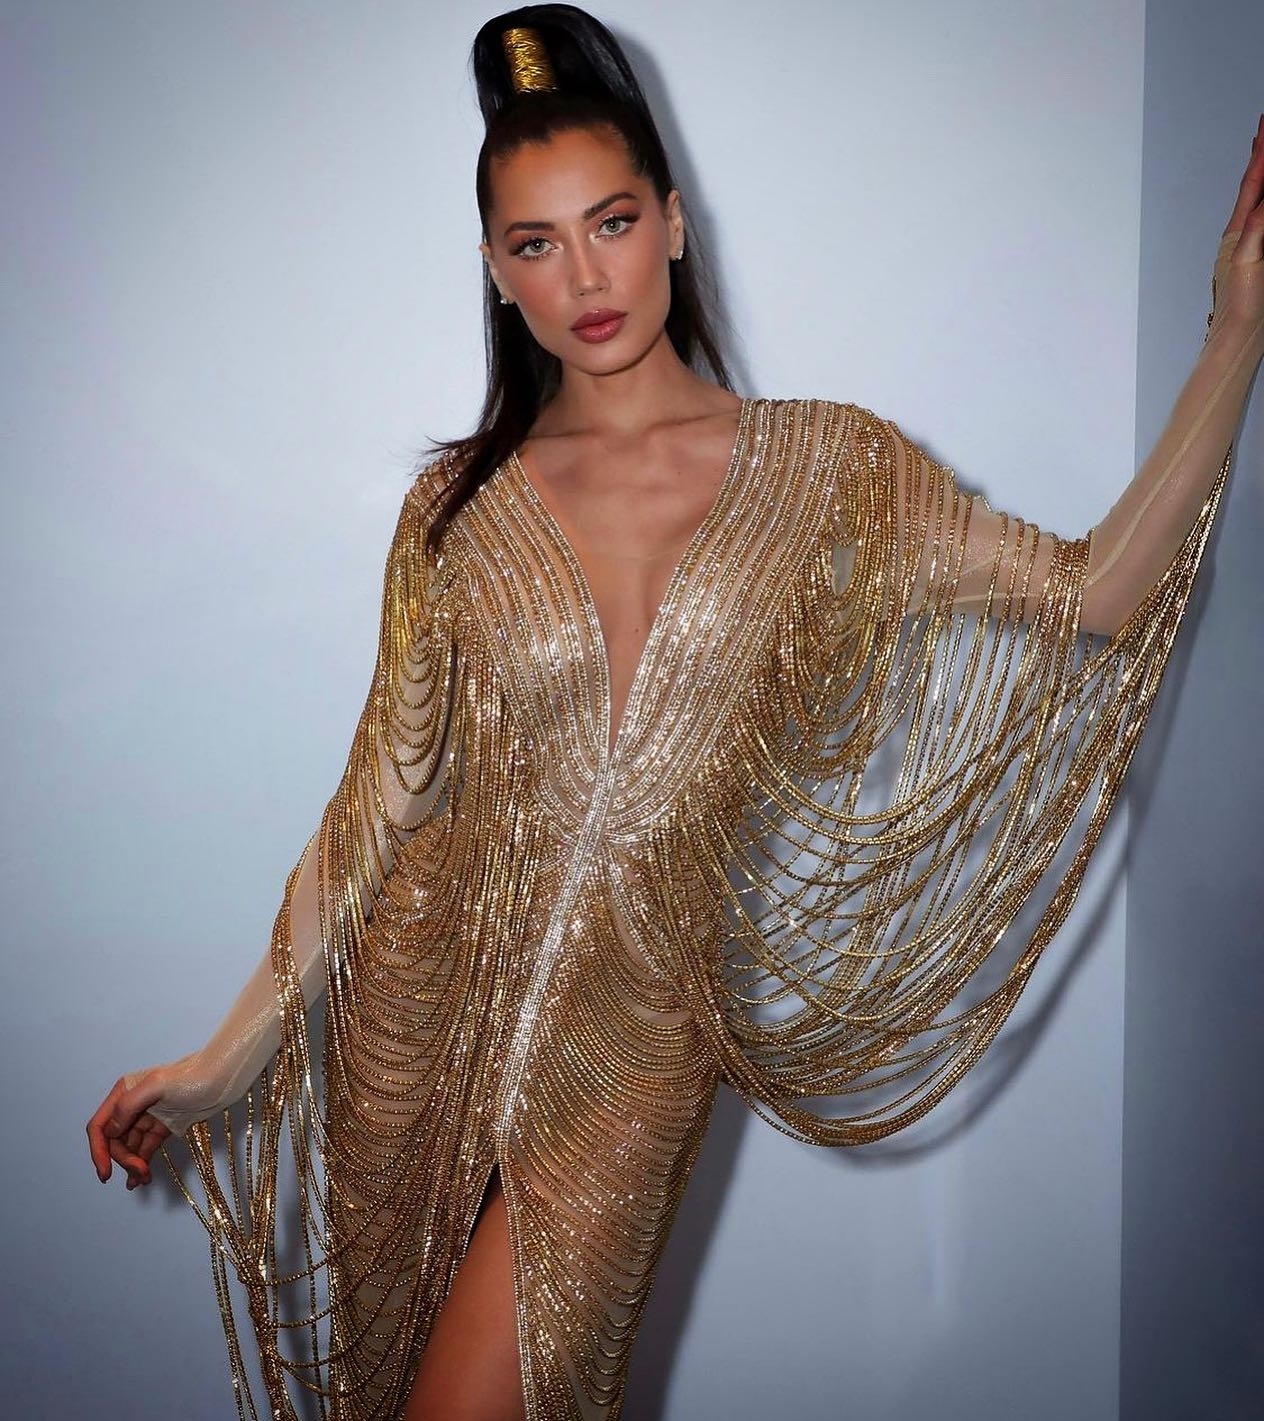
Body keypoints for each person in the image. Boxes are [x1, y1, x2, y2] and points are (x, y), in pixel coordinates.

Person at [86, 6, 1264, 1420]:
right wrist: (221, 1063)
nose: (586, 276)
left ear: (675, 224)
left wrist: (1235, 330)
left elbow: (1096, 591)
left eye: (613, 222)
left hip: (637, 1044)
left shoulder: (830, 472)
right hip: (422, 1035)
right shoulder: (457, 511)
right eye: (536, 243)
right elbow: (377, 808)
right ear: (496, 271)